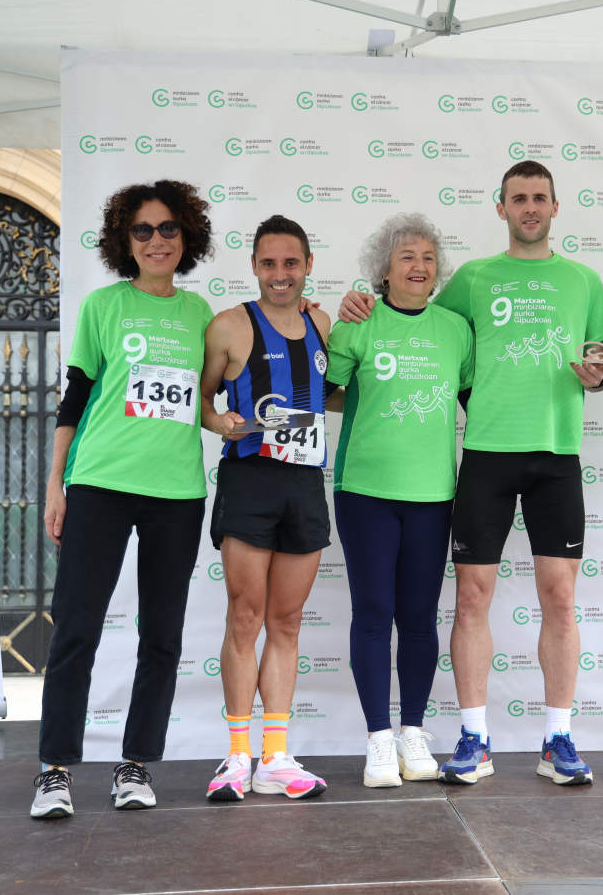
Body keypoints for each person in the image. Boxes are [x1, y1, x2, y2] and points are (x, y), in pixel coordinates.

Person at [340, 160, 603, 787]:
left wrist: (600, 373)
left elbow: (598, 357)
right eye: (518, 198)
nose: (530, 208)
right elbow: (414, 315)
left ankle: (558, 739)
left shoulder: (584, 280)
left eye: (540, 197)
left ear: (555, 205)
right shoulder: (469, 281)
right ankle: (474, 738)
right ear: (501, 208)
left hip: (556, 455)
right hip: (485, 456)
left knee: (562, 600)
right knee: (470, 599)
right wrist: (360, 300)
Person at [31, 180, 214, 819]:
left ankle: (135, 765)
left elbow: (210, 404)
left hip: (177, 494)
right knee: (76, 630)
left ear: (185, 237)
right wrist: (56, 485)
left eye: (168, 229)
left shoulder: (202, 317)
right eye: (143, 230)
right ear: (124, 241)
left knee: (160, 636)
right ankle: (54, 771)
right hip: (100, 485)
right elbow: (73, 402)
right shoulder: (102, 308)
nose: (157, 240)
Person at [326, 214, 474, 787]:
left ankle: (414, 733)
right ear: (383, 271)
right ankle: (379, 740)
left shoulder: (456, 330)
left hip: (433, 494)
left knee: (418, 619)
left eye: (428, 258)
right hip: (365, 490)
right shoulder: (357, 324)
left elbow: (472, 403)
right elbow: (326, 395)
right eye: (406, 256)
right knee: (373, 614)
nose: (419, 266)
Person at [200, 215, 333, 801]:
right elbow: (202, 400)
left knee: (286, 622)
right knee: (245, 617)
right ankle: (236, 756)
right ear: (254, 266)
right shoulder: (228, 325)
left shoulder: (323, 322)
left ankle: (276, 756)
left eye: (291, 263)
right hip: (250, 480)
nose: (281, 275)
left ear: (307, 266)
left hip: (304, 484)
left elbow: (334, 391)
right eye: (269, 263)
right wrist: (219, 422)